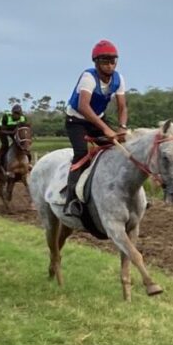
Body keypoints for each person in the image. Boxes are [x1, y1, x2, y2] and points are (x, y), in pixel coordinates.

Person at [63, 39, 128, 217]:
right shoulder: (88, 78)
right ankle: (71, 201)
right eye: (105, 61)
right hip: (76, 121)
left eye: (112, 61)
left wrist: (122, 127)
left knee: (119, 149)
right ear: (96, 63)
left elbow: (122, 106)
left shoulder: (118, 79)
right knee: (82, 154)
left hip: (97, 119)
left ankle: (125, 195)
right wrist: (106, 129)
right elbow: (83, 107)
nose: (109, 65)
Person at [0, 104, 29, 174]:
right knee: (5, 145)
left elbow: (23, 129)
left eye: (18, 114)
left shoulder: (23, 118)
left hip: (15, 131)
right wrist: (12, 132)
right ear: (12, 113)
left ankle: (28, 163)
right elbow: (1, 130)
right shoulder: (6, 117)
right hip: (3, 131)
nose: (17, 116)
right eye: (15, 113)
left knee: (22, 144)